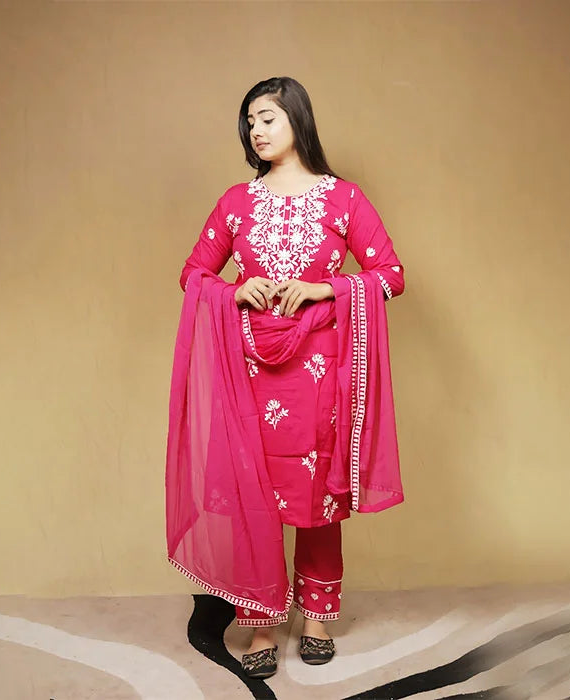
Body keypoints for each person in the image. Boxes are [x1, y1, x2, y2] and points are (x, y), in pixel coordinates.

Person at [165, 76, 405, 679]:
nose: (256, 130)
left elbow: (390, 274)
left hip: (320, 369)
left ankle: (317, 616)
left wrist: (327, 288)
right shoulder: (236, 202)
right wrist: (233, 290)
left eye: (267, 118)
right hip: (249, 369)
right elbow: (194, 274)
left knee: (317, 491)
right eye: (249, 122)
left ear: (298, 120)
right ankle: (262, 620)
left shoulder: (343, 199)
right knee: (255, 492)